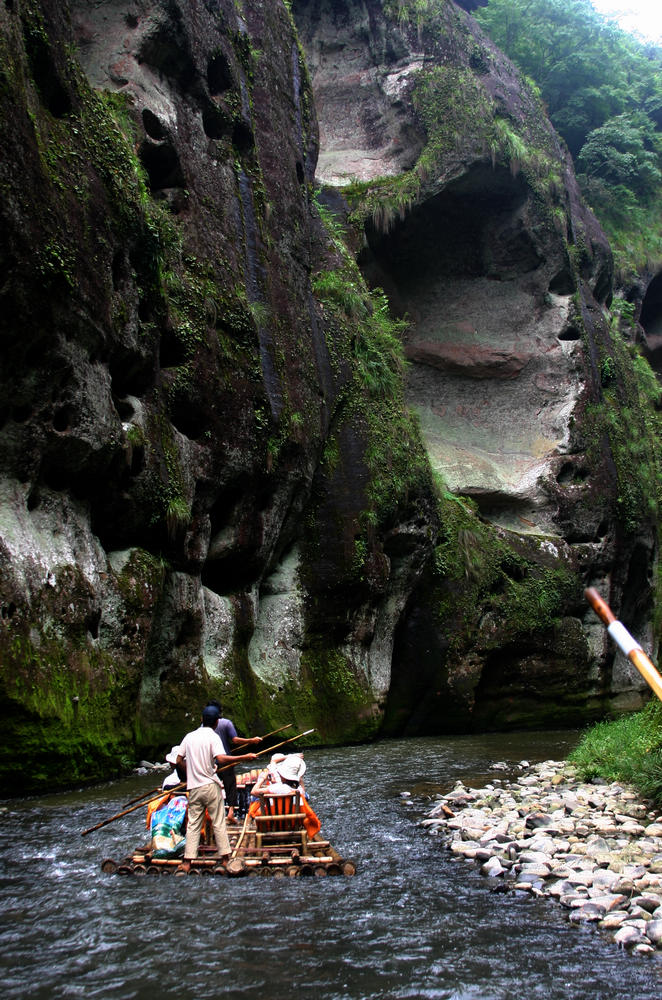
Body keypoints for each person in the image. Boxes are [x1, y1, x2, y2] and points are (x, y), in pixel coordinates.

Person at [175, 705, 258, 873]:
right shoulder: (213, 737)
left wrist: (190, 771)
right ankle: (225, 859)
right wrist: (245, 757)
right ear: (217, 722)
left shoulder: (189, 736)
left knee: (193, 824)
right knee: (219, 822)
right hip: (211, 786)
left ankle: (187, 862)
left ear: (201, 720)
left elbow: (177, 760)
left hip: (194, 787)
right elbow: (220, 758)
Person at [206, 700, 262, 824]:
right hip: (225, 760)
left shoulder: (202, 727)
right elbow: (235, 740)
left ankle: (211, 814)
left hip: (208, 762)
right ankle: (231, 813)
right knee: (230, 786)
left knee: (210, 787)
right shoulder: (226, 723)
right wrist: (251, 741)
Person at [249, 753, 321, 838]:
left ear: (282, 775)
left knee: (254, 799)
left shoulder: (274, 788)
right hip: (293, 826)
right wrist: (300, 779)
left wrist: (261, 779)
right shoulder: (300, 792)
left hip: (270, 826)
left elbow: (253, 791)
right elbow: (304, 795)